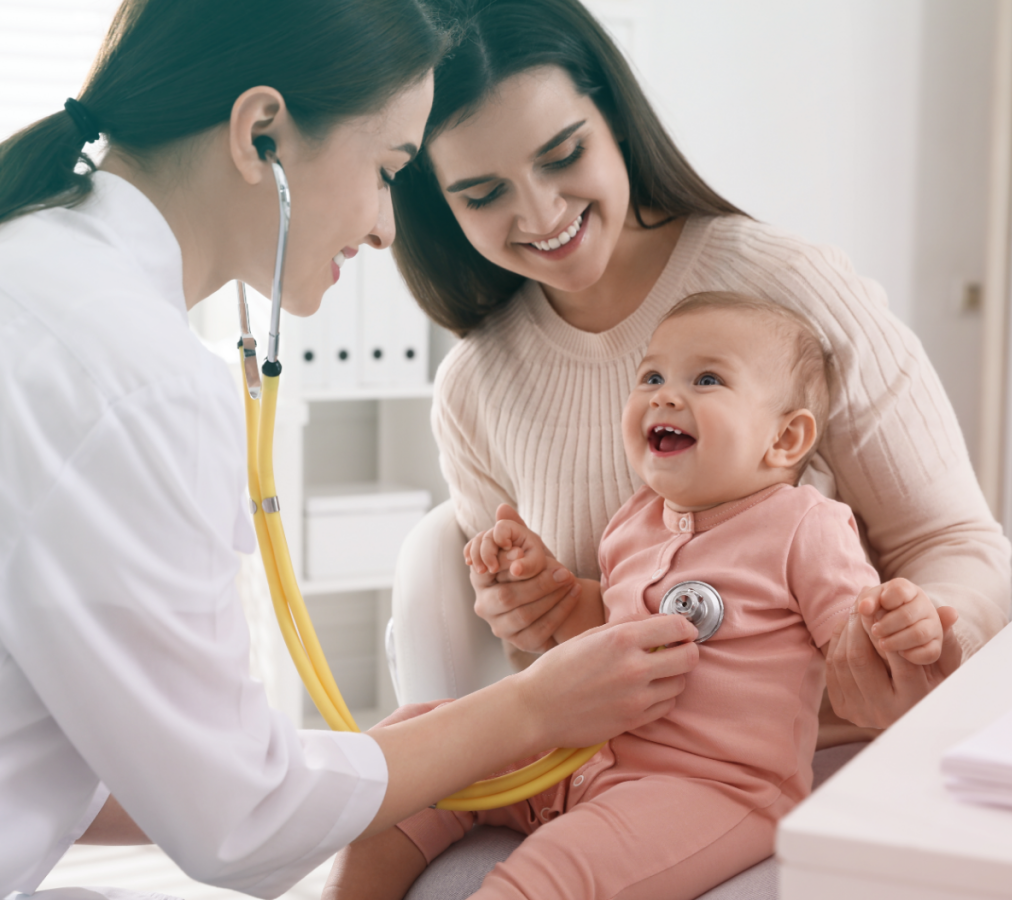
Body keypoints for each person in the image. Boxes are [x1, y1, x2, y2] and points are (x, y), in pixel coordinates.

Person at [0, 3, 705, 899]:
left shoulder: (0, 267)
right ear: (262, 134)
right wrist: (532, 708)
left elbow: (75, 755)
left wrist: (385, 759)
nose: (390, 227)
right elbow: (241, 826)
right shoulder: (127, 370)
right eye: (389, 168)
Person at [388, 0, 1009, 742]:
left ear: (614, 117)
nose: (541, 212)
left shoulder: (789, 287)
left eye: (562, 156)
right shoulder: (475, 386)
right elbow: (547, 660)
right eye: (484, 194)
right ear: (438, 205)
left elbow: (956, 543)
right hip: (615, 773)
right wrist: (524, 610)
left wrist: (924, 641)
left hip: (824, 757)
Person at [327, 292, 954, 900]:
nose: (665, 393)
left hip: (708, 787)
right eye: (651, 375)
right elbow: (602, 629)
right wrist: (549, 588)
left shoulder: (804, 527)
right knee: (415, 751)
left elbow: (854, 647)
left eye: (707, 379)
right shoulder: (634, 521)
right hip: (578, 754)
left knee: (552, 870)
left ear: (785, 439)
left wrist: (897, 629)